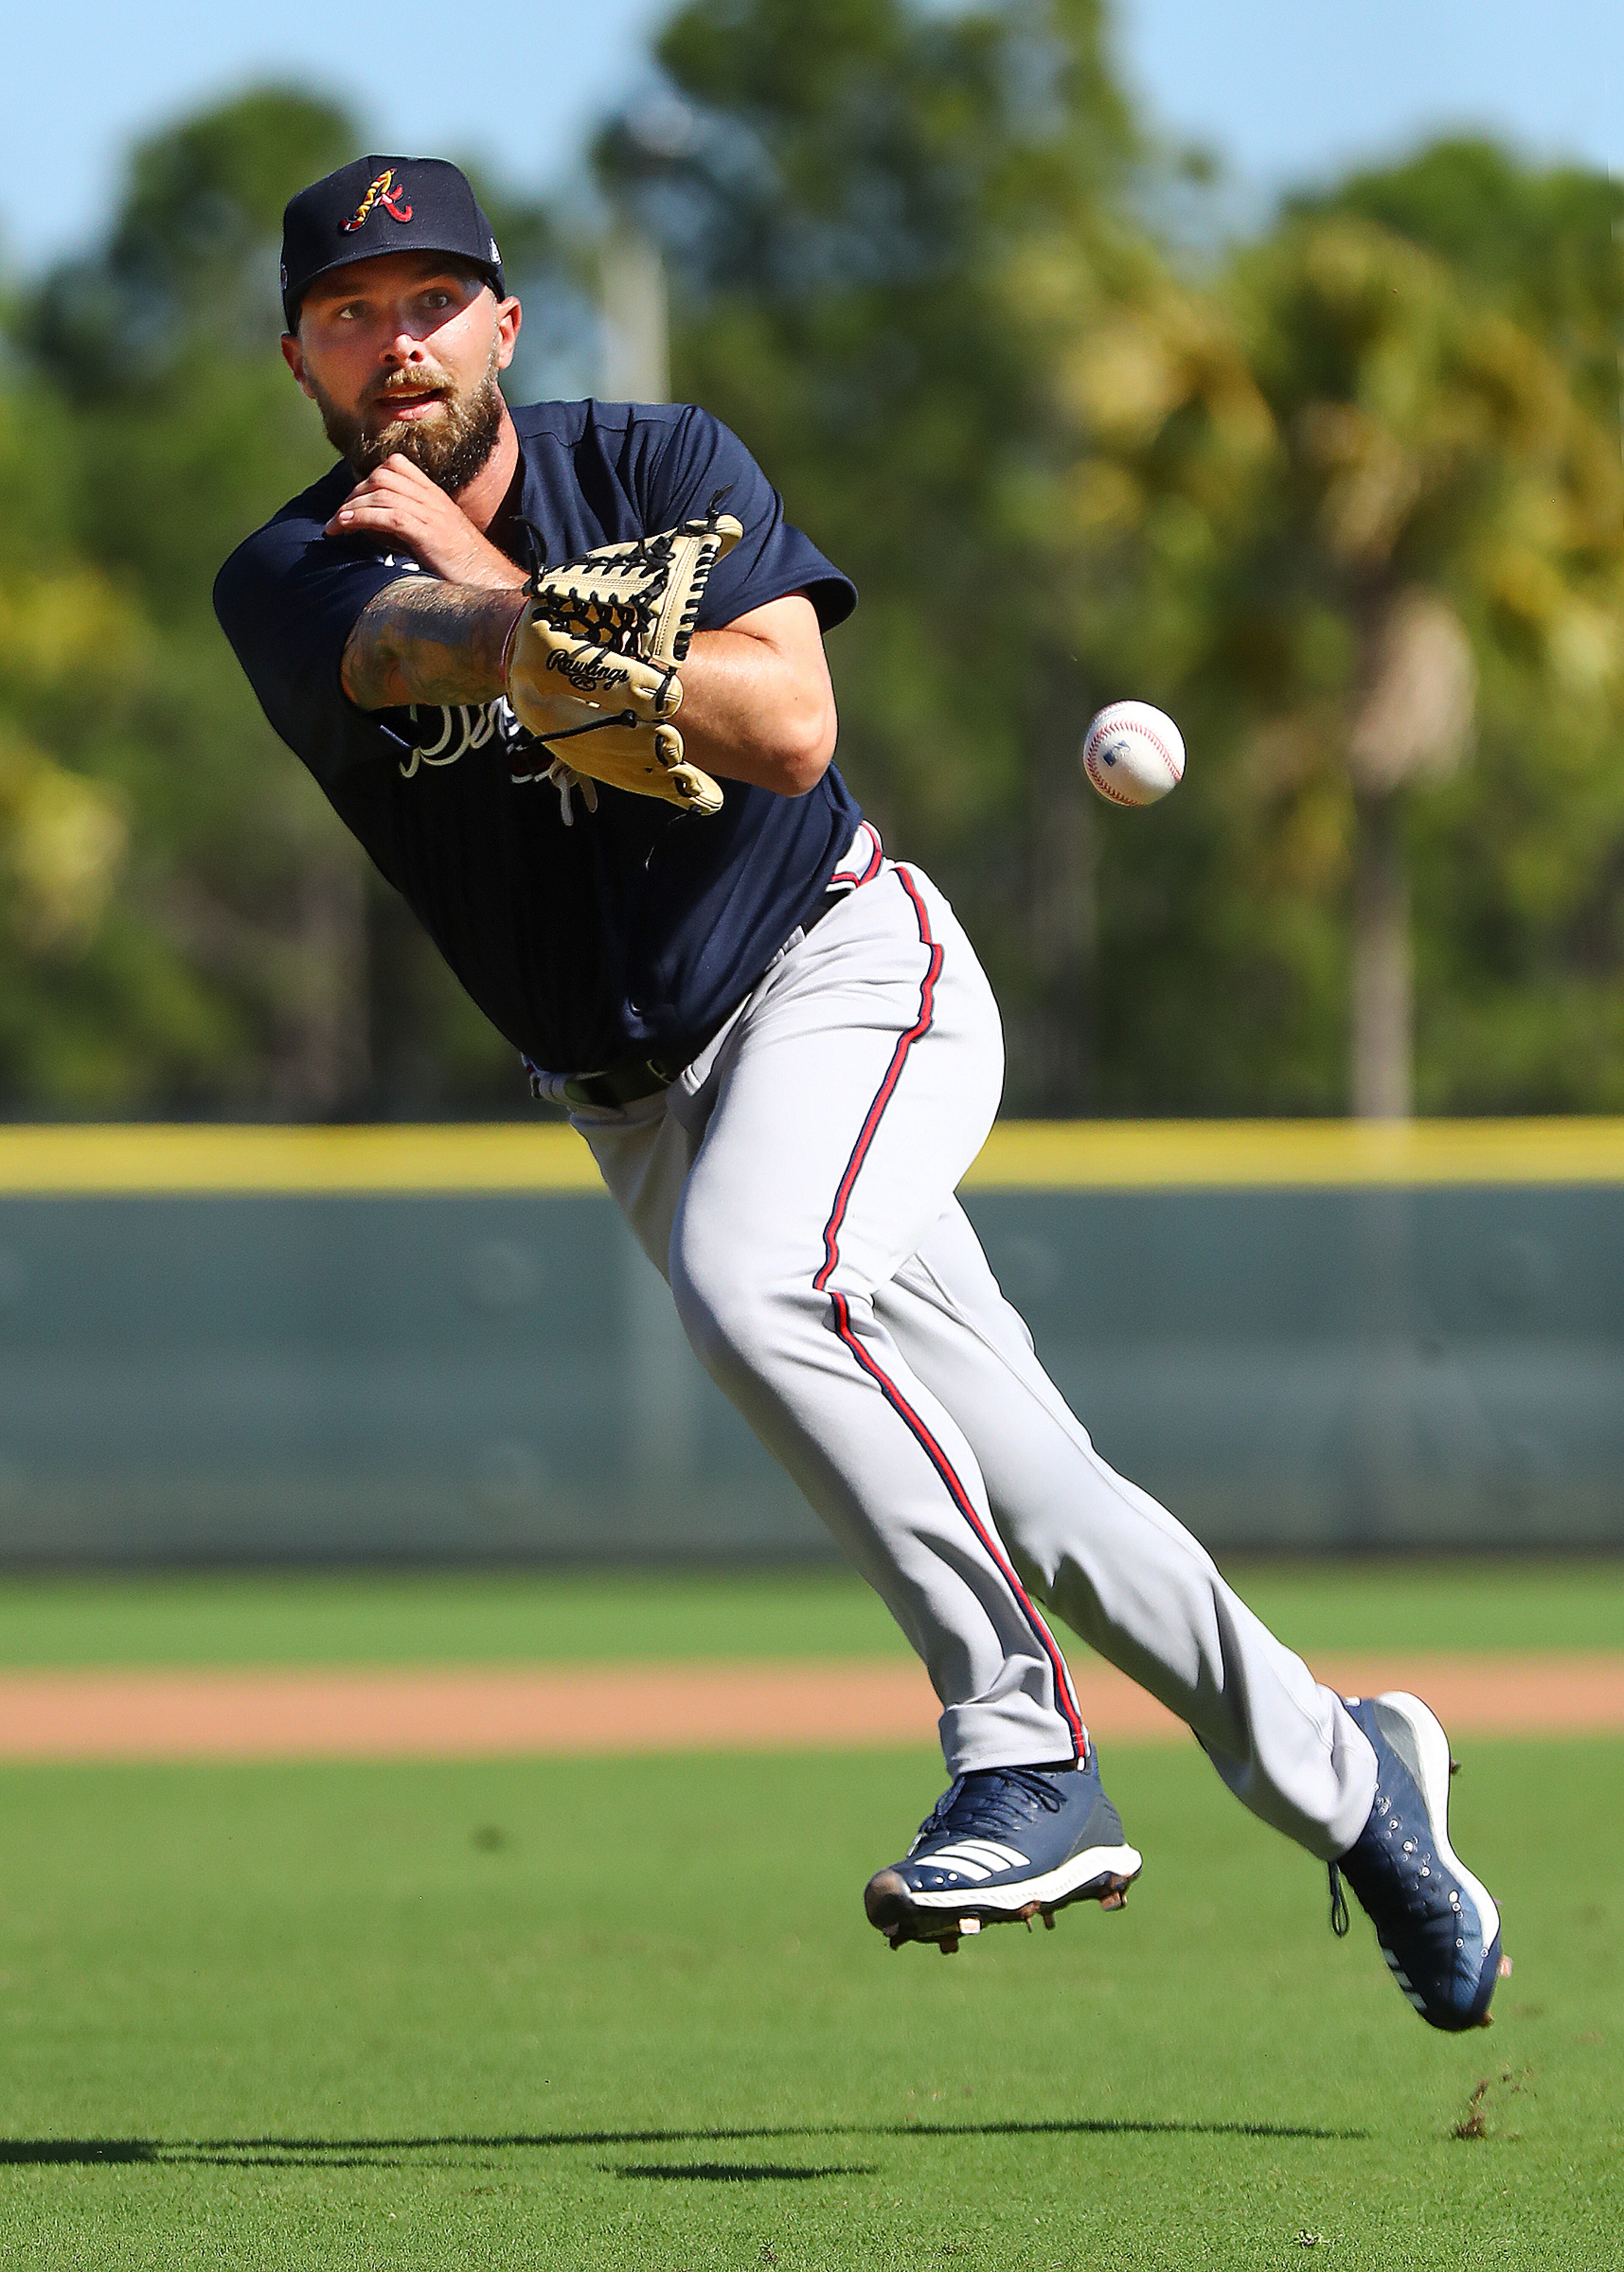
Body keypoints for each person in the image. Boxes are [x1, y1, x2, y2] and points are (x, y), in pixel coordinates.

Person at [215, 155, 1503, 2030]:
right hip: (637, 1097)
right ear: (300, 358)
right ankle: (1359, 1779)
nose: (395, 343)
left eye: (431, 301)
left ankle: (1022, 1744)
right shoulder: (293, 569)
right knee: (1048, 1496)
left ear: (505, 322)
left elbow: (788, 726)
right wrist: (548, 631)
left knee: (757, 1288)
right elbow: (439, 657)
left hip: (840, 974)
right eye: (352, 313)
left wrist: (513, 591)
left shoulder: (659, 463)